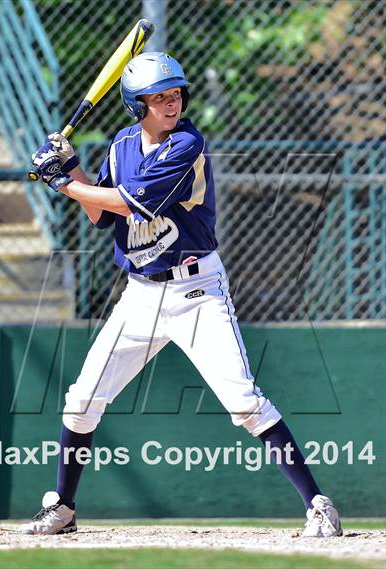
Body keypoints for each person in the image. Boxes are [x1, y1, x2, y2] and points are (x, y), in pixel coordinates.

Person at [20, 52, 342, 538]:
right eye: (159, 97)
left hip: (197, 293)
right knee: (81, 401)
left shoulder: (187, 143)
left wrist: (61, 181)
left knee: (244, 403)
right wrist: (73, 168)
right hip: (140, 295)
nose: (171, 104)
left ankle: (318, 504)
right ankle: (63, 508)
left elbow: (131, 206)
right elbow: (100, 216)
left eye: (175, 94)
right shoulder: (123, 144)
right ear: (136, 105)